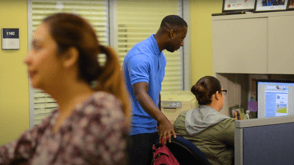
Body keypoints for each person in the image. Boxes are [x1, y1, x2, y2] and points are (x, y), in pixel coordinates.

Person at [0, 13, 131, 165]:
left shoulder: (99, 113)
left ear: (69, 56)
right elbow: (9, 153)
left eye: (37, 47)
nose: (27, 58)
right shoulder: (55, 118)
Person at [123, 15, 187, 165]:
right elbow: (140, 93)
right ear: (172, 33)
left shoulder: (160, 56)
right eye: (182, 37)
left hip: (151, 128)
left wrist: (159, 121)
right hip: (135, 131)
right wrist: (162, 119)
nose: (182, 43)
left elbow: (155, 91)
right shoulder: (140, 56)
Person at [173, 76, 236, 165]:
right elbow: (249, 142)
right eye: (223, 92)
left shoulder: (181, 119)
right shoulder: (225, 125)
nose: (224, 97)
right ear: (217, 95)